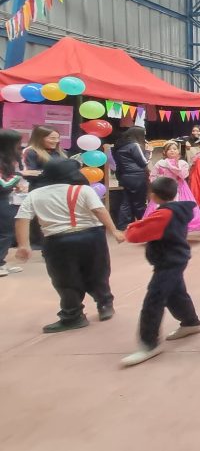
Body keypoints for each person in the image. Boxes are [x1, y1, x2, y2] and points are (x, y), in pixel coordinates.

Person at [13, 159, 124, 333]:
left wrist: (24, 245)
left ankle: (73, 316)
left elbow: (22, 218)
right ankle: (105, 305)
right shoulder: (84, 189)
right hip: (91, 237)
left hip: (57, 241)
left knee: (65, 280)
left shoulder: (35, 194)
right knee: (98, 271)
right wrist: (114, 230)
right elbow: (99, 210)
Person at [120, 176, 200, 367]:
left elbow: (134, 235)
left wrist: (132, 226)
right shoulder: (177, 210)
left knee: (154, 300)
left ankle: (149, 344)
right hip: (174, 259)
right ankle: (190, 322)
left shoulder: (164, 214)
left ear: (153, 195)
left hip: (168, 262)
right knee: (175, 294)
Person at [143, 141, 200, 233]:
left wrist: (174, 166)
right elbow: (153, 175)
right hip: (163, 189)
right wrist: (157, 184)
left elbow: (183, 175)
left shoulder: (182, 163)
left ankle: (177, 228)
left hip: (179, 189)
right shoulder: (160, 163)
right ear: (165, 152)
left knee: (177, 208)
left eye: (174, 149)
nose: (172, 151)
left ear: (178, 151)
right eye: (169, 149)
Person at [112, 127, 152, 230]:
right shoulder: (134, 145)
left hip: (124, 176)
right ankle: (143, 225)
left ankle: (123, 225)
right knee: (139, 203)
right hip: (137, 176)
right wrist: (148, 151)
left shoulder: (119, 145)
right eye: (143, 135)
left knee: (126, 202)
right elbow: (144, 162)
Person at [0, 130, 25, 277]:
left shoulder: (7, 159)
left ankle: (1, 262)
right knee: (4, 232)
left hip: (4, 199)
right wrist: (18, 177)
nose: (19, 145)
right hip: (1, 200)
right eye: (17, 142)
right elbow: (3, 184)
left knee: (6, 232)